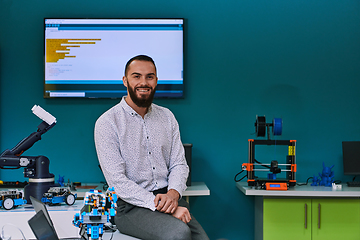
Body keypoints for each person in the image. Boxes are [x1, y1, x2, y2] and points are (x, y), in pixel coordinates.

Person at [94, 55, 209, 240]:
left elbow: (179, 164)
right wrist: (160, 205)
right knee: (179, 234)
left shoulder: (167, 117)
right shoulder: (108, 123)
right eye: (136, 76)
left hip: (169, 199)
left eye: (150, 76)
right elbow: (117, 182)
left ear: (156, 80)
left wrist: (172, 195)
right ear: (125, 81)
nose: (143, 82)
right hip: (131, 208)